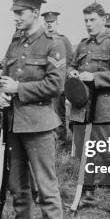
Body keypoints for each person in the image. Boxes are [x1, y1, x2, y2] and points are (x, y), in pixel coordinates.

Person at [0, 0, 65, 219]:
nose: (15, 18)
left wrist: (18, 88)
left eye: (20, 14)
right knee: (17, 184)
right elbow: (6, 75)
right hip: (14, 122)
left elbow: (55, 86)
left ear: (35, 13)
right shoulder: (15, 43)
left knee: (46, 185)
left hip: (38, 124)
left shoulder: (53, 44)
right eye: (14, 13)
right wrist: (2, 92)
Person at [69, 3, 110, 218]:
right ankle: (87, 193)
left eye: (92, 20)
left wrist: (95, 77)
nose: (88, 24)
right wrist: (73, 73)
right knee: (86, 153)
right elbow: (71, 65)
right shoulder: (83, 45)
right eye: (86, 20)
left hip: (106, 109)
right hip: (83, 109)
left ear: (104, 19)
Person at [41, 11, 73, 146]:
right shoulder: (41, 39)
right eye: (47, 23)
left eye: (52, 22)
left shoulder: (63, 39)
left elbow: (70, 61)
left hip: (58, 82)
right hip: (43, 82)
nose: (49, 25)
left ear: (57, 22)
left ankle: (61, 139)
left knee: (58, 111)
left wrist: (62, 81)